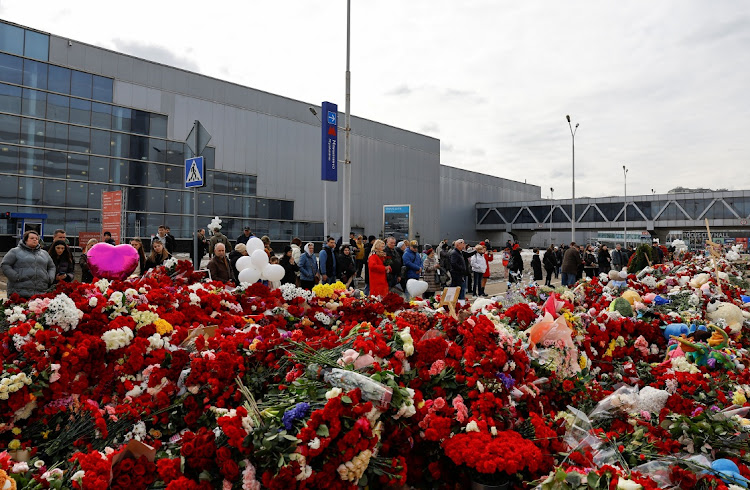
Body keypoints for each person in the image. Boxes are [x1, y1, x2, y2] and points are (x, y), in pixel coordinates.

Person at [1, 231, 55, 298]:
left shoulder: (44, 254)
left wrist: (50, 278)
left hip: (40, 293)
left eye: (36, 238)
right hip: (19, 292)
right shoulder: (15, 251)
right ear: (25, 240)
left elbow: (51, 267)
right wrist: (15, 276)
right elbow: (5, 264)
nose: (35, 240)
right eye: (32, 238)